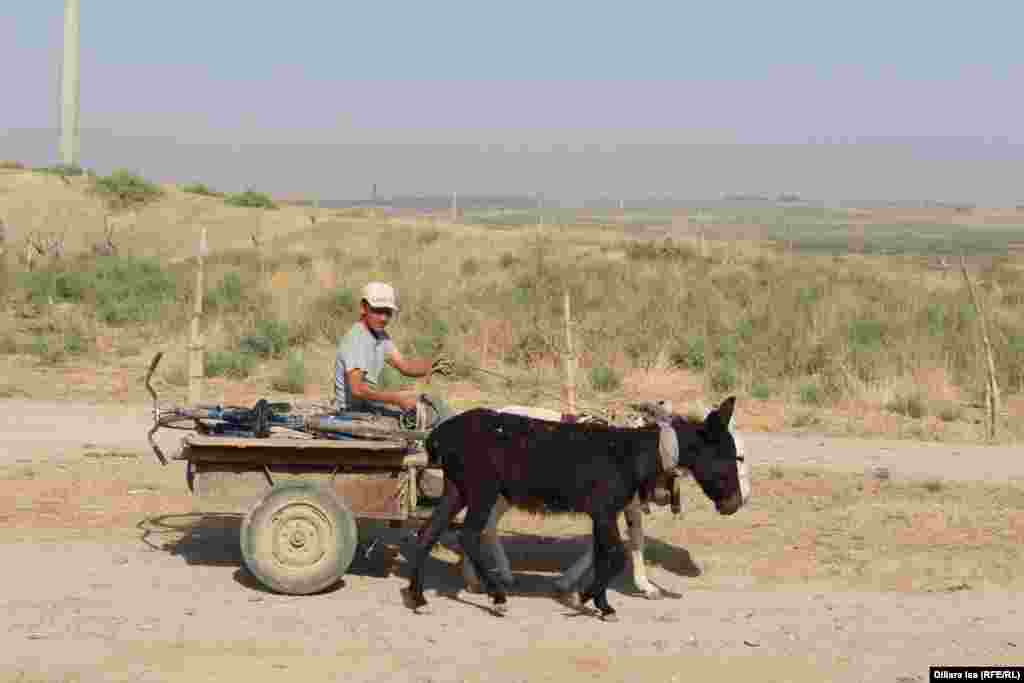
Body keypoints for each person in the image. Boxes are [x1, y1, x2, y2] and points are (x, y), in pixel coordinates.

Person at [334, 282, 454, 429]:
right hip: (352, 413)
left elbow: (404, 366)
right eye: (378, 311)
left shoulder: (379, 335)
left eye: (388, 312)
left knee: (435, 406)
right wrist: (396, 399)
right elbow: (357, 389)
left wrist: (433, 365)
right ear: (364, 307)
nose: (384, 318)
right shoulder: (356, 340)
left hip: (369, 407)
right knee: (429, 418)